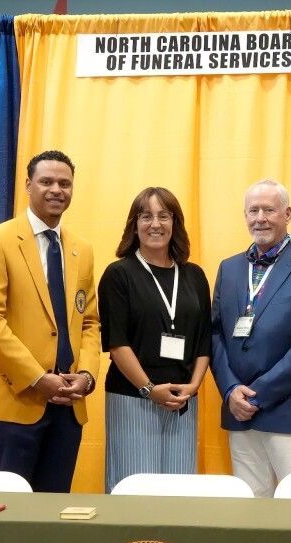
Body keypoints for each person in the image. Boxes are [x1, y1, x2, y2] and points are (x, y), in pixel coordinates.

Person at [0, 150, 100, 492]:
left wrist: (87, 376)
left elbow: (89, 322)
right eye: (47, 182)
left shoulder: (82, 249)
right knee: (7, 510)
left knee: (53, 511)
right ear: (28, 186)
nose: (56, 190)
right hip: (14, 404)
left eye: (64, 183)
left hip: (69, 408)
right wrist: (36, 378)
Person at [211, 179, 291, 498]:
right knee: (250, 509)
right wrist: (230, 390)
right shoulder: (228, 269)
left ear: (287, 214)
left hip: (290, 412)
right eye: (253, 210)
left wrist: (256, 396)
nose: (260, 218)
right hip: (239, 412)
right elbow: (215, 334)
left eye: (269, 210)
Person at [98, 187, 211, 493]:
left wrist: (193, 386)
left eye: (164, 216)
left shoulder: (194, 276)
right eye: (146, 216)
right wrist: (149, 389)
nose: (155, 224)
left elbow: (204, 340)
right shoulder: (118, 274)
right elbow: (117, 343)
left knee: (179, 495)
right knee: (136, 493)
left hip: (182, 400)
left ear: (175, 223)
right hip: (133, 398)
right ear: (134, 225)